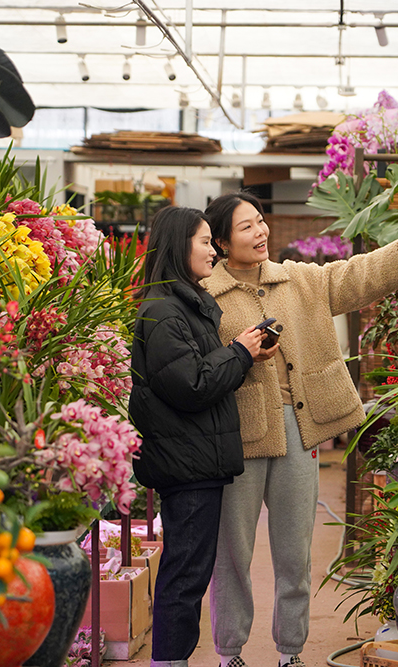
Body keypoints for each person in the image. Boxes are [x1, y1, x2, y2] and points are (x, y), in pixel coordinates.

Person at [201, 191, 398, 667]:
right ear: (223, 243)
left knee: (295, 553)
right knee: (232, 555)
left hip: (298, 427)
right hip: (238, 435)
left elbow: (353, 276)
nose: (261, 232)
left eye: (260, 221)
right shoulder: (205, 296)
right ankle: (230, 653)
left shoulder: (298, 279)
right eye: (247, 227)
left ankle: (290, 651)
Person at [129, 206, 266, 667]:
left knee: (188, 571)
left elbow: (198, 373)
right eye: (205, 241)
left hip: (195, 461)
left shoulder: (184, 304)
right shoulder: (165, 312)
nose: (213, 250)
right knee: (185, 576)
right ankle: (170, 661)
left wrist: (242, 354)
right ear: (178, 247)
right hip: (186, 465)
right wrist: (240, 353)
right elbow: (192, 385)